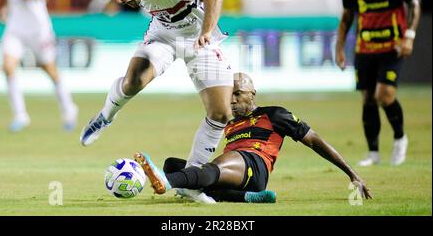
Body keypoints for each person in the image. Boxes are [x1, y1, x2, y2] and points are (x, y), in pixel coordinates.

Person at [80, 0, 234, 202]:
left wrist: (206, 32)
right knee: (134, 80)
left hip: (199, 39)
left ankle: (191, 183)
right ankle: (104, 117)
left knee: (221, 114)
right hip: (163, 36)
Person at [133, 72, 372, 203]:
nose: (233, 99)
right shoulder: (228, 120)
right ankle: (245, 198)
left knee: (209, 169)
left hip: (255, 165)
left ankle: (168, 182)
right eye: (230, 94)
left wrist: (351, 174)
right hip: (236, 173)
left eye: (238, 93)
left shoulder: (275, 114)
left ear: (252, 93)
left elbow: (316, 141)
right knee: (174, 163)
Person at [335, 0, 421, 166]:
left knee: (384, 94)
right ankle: (373, 152)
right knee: (368, 99)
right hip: (365, 48)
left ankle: (400, 138)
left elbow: (414, 3)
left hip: (392, 46)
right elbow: (347, 17)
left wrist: (410, 36)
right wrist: (339, 47)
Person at [0, 0, 78, 132]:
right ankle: (20, 115)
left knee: (49, 69)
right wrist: (5, 8)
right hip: (15, 26)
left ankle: (69, 108)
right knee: (8, 67)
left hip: (37, 27)